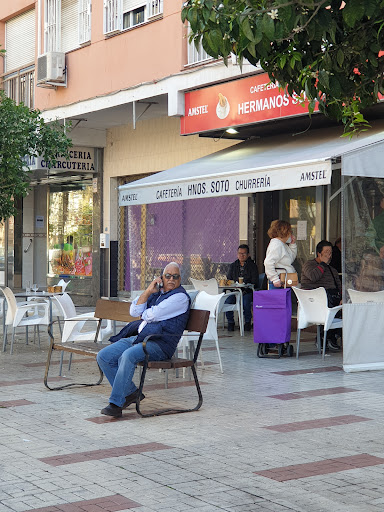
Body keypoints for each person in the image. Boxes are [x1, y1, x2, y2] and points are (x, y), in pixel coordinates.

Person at [96, 262, 191, 417]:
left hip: (161, 344)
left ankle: (116, 404)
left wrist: (146, 312)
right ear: (161, 277)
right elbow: (134, 311)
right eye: (168, 276)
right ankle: (131, 393)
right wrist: (148, 291)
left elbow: (151, 315)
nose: (171, 279)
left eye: (176, 276)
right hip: (142, 338)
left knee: (128, 355)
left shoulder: (180, 297)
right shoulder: (156, 293)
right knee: (104, 356)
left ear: (180, 279)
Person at [301, 240, 342, 350]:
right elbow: (314, 276)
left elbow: (339, 286)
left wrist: (342, 298)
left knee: (344, 307)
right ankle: (325, 337)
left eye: (331, 252)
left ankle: (331, 336)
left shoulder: (332, 269)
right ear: (319, 253)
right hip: (314, 302)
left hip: (331, 300)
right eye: (326, 252)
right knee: (331, 307)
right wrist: (323, 264)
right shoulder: (309, 265)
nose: (329, 255)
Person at [225, 244, 259, 332]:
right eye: (240, 253)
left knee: (245, 302)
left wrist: (245, 288)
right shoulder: (233, 265)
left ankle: (247, 322)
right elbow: (229, 279)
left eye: (244, 254)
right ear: (237, 254)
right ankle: (231, 322)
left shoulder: (252, 266)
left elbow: (255, 282)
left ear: (248, 255)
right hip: (235, 291)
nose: (242, 255)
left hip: (247, 291)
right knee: (227, 301)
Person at [264, 220, 297, 289]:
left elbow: (291, 258)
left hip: (285, 280)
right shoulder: (277, 245)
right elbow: (268, 263)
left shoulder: (281, 244)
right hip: (280, 282)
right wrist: (275, 279)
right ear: (285, 232)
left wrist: (292, 244)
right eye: (290, 232)